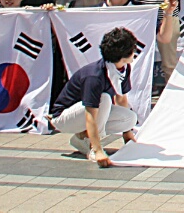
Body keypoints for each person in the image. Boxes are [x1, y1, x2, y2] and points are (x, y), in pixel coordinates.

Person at [51, 26, 138, 167]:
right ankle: (92, 145)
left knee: (130, 118)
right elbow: (90, 114)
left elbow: (121, 98)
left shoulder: (123, 69)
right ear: (124, 55)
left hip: (91, 111)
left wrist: (127, 134)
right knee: (104, 99)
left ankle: (82, 137)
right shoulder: (94, 76)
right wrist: (98, 151)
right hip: (64, 117)